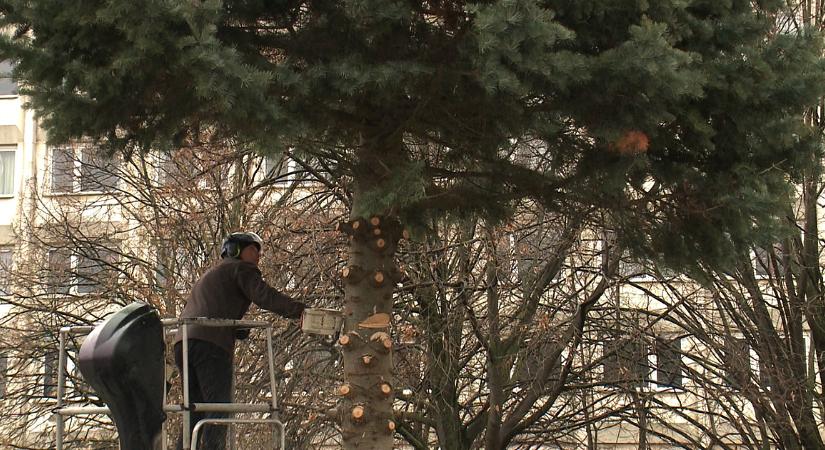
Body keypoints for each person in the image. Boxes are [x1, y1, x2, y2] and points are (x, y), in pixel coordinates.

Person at [174, 231, 305, 450]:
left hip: (184, 341)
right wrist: (300, 311)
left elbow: (214, 309)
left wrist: (238, 328)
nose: (258, 257)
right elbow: (265, 295)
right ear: (239, 250)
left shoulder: (213, 274)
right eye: (254, 251)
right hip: (211, 343)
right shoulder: (241, 269)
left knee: (194, 407)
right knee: (219, 406)